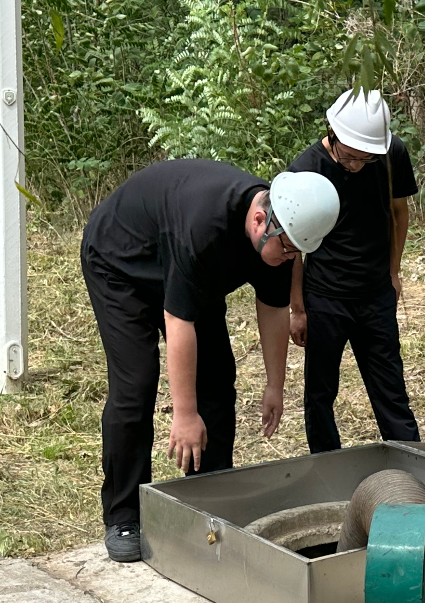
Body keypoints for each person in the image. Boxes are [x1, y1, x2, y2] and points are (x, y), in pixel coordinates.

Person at [81, 160, 339, 563]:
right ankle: (124, 515)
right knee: (136, 384)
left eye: (298, 251)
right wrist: (184, 414)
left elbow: (273, 309)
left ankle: (208, 502)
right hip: (122, 264)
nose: (291, 257)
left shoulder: (280, 237)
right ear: (260, 221)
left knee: (216, 380)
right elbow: (179, 321)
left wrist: (275, 385)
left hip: (185, 271)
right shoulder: (204, 229)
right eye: (288, 248)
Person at [286, 88, 421, 452]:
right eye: (350, 157)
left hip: (376, 293)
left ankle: (412, 465)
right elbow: (292, 247)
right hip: (325, 297)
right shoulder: (306, 170)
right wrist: (298, 308)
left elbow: (399, 212)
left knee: (391, 391)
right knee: (320, 394)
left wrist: (394, 271)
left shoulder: (391, 154)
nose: (358, 165)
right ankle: (327, 466)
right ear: (332, 133)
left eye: (367, 158)